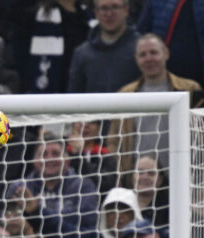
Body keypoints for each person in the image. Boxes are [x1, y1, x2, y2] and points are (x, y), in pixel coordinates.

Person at [106, 33, 203, 174]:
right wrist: (122, 172)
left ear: (166, 53)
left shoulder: (190, 89)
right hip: (138, 182)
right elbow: (113, 141)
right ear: (136, 59)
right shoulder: (125, 94)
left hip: (181, 178)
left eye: (153, 52)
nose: (149, 58)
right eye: (143, 55)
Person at [68, 0, 140, 93]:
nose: (109, 14)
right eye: (104, 8)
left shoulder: (142, 50)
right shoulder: (81, 54)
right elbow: (74, 97)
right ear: (96, 13)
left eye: (115, 7)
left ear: (126, 10)